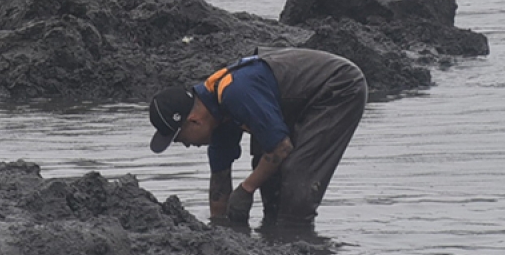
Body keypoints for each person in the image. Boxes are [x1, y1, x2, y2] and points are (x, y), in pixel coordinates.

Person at [148, 48, 367, 229]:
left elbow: (281, 148)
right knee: (266, 173)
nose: (187, 145)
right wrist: (218, 230)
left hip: (338, 87)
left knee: (296, 177)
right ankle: (273, 235)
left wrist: (246, 189)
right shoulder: (215, 117)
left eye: (180, 138)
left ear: (194, 120)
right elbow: (220, 182)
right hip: (293, 103)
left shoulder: (236, 92)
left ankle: (298, 239)